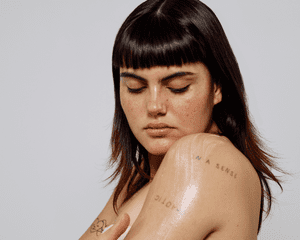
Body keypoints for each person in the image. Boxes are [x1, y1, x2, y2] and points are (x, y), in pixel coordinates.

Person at [80, 0, 285, 239]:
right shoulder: (141, 175)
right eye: (135, 87)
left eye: (178, 87)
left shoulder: (199, 158)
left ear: (216, 87)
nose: (154, 106)